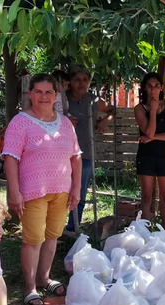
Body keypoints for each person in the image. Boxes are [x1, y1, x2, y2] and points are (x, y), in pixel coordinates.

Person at [3, 73, 81, 305]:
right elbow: (10, 159)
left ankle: (44, 278)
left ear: (56, 96)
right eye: (38, 91)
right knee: (33, 239)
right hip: (33, 191)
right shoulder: (20, 122)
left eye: (49, 92)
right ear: (30, 94)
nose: (44, 96)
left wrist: (76, 188)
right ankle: (30, 288)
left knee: (52, 236)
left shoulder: (66, 123)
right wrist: (14, 192)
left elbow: (76, 158)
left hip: (62, 190)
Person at [64, 64, 115, 232]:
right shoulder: (62, 99)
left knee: (79, 191)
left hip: (85, 152)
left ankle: (73, 227)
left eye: (85, 80)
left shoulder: (93, 100)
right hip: (61, 154)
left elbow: (112, 110)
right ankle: (55, 227)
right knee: (60, 191)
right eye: (77, 80)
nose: (81, 83)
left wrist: (106, 120)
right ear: (70, 82)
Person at [133, 72, 165, 230]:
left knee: (164, 198)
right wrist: (152, 110)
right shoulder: (140, 109)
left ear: (161, 88)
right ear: (145, 88)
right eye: (150, 86)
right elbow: (149, 131)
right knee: (146, 197)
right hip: (146, 157)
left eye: (156, 86)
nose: (153, 90)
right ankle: (145, 232)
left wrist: (152, 138)